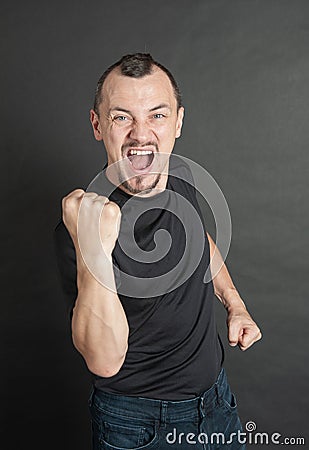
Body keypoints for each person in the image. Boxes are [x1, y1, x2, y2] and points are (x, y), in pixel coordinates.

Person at [54, 53, 262, 449]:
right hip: (138, 426)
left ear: (178, 122)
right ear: (98, 125)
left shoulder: (178, 175)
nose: (141, 134)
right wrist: (94, 249)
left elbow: (199, 238)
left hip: (217, 401)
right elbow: (104, 361)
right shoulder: (77, 230)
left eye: (157, 115)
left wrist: (234, 303)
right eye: (122, 117)